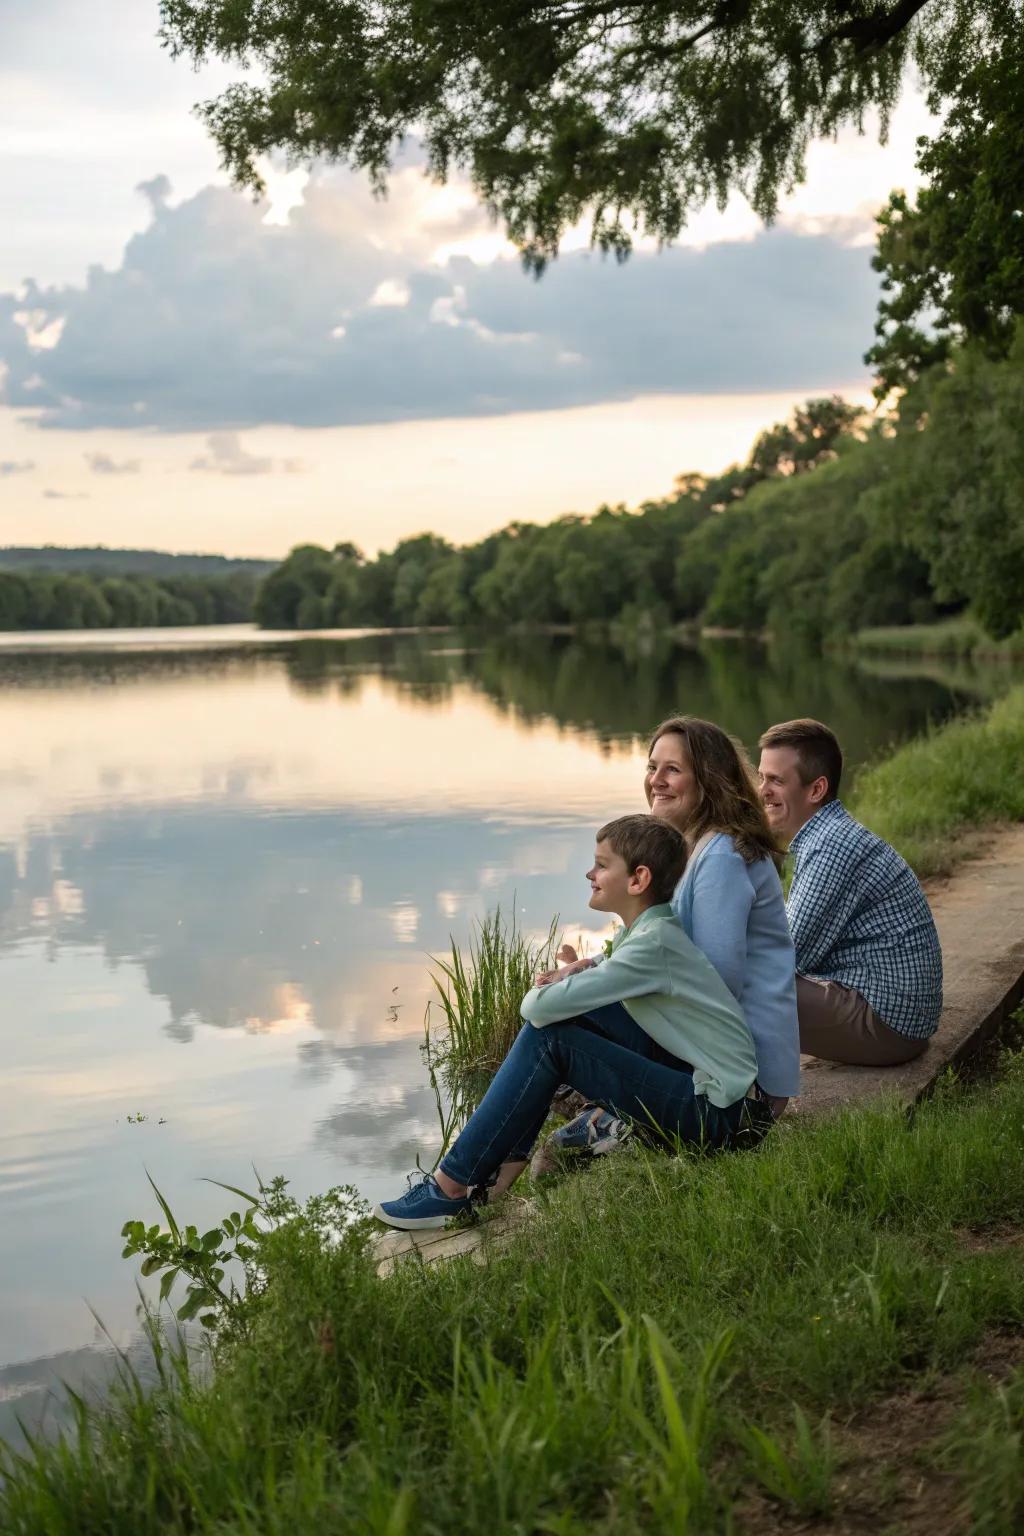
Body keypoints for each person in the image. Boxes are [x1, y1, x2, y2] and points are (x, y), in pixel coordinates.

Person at [374, 814, 759, 1230]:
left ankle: (452, 1188)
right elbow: (607, 970)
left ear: (638, 879)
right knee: (568, 1020)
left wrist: (552, 986)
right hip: (719, 1097)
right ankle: (496, 1168)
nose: (589, 873)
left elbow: (535, 1010)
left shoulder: (652, 946)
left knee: (549, 1037)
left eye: (601, 864)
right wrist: (580, 970)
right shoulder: (649, 933)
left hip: (719, 1116)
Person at [757, 718, 943, 1065]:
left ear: (816, 789)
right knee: (736, 973)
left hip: (888, 1026)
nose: (762, 790)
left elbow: (788, 956)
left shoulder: (833, 846)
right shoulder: (827, 837)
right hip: (898, 1016)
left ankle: (715, 1105)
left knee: (743, 985)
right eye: (762, 777)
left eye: (776, 780)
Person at [640, 715, 800, 1116]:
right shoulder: (691, 849)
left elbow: (716, 982)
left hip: (743, 1086)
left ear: (708, 781)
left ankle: (466, 1174)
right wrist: (595, 968)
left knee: (564, 1031)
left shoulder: (722, 856)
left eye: (672, 770)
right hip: (722, 1059)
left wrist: (617, 984)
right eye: (652, 767)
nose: (656, 779)